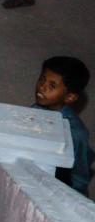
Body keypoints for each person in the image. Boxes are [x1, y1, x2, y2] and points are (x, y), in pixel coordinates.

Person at [34, 56, 91, 197]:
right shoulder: (37, 108)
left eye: (52, 86)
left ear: (69, 97)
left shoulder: (75, 133)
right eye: (42, 79)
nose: (42, 87)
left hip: (56, 189)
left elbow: (79, 176)